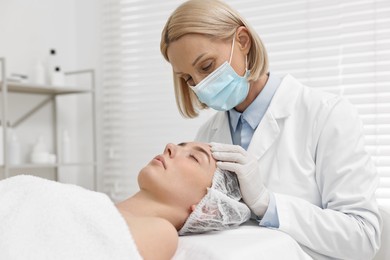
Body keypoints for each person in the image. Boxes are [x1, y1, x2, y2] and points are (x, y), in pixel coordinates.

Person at [160, 0, 382, 259]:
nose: (200, 85)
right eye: (188, 78)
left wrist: (268, 204)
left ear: (242, 41)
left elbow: (363, 238)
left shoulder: (326, 114)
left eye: (206, 66)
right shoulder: (206, 138)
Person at [0, 142, 250, 260]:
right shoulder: (96, 206)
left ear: (206, 208)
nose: (171, 146)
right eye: (181, 145)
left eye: (194, 158)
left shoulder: (162, 232)